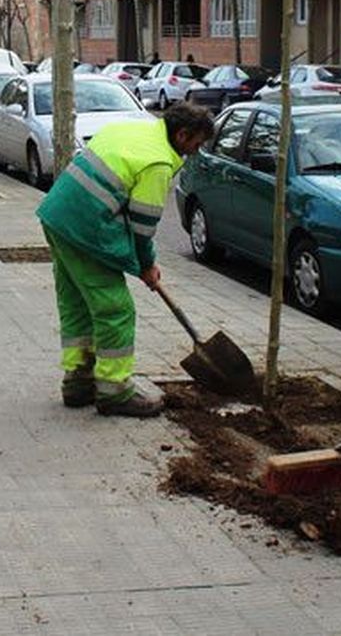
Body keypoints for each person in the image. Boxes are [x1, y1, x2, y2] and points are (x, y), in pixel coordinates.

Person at [36, 102, 216, 417]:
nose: (195, 152)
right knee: (115, 309)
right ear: (183, 134)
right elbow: (143, 229)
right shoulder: (159, 161)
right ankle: (114, 391)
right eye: (196, 144)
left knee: (77, 302)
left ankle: (78, 382)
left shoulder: (135, 129)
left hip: (56, 215)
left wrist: (141, 265)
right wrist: (146, 266)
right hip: (85, 228)